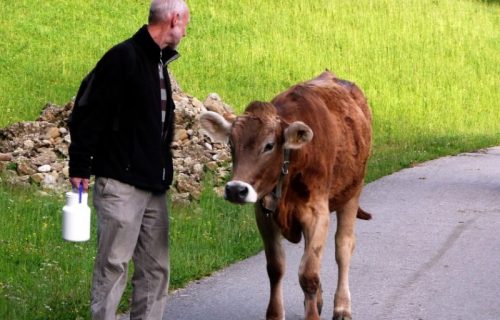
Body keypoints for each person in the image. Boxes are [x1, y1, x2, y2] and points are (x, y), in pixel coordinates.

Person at [68, 0, 190, 319]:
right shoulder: (123, 57)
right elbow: (87, 111)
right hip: (120, 184)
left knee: (155, 271)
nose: (187, 30)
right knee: (113, 267)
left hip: (154, 187)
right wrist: (79, 164)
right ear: (174, 19)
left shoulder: (159, 64)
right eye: (186, 23)